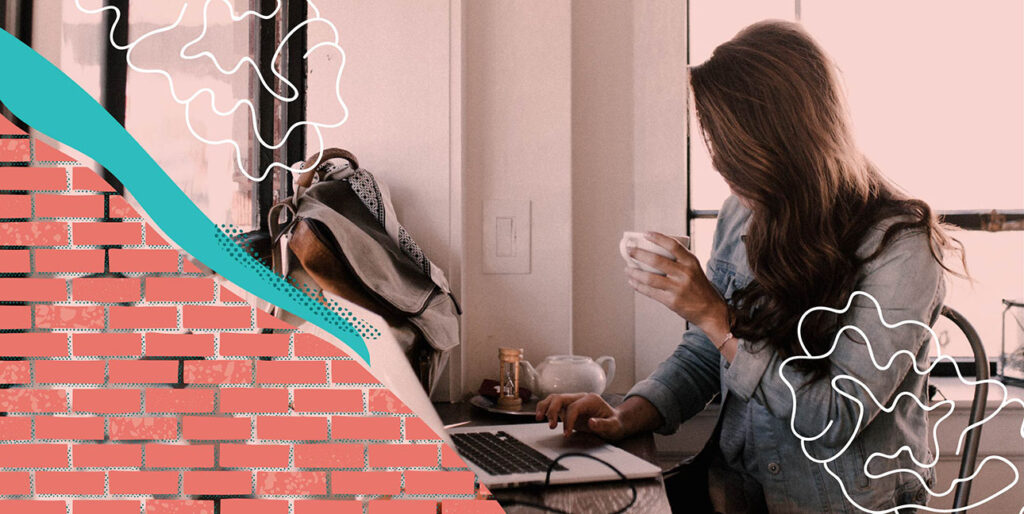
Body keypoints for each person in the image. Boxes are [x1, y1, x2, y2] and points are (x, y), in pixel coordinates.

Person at [536, 20, 963, 513]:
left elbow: (834, 420)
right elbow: (705, 354)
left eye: (729, 148)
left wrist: (718, 316)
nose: (720, 165)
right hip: (736, 492)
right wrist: (627, 414)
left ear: (782, 142)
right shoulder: (745, 211)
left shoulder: (902, 247)